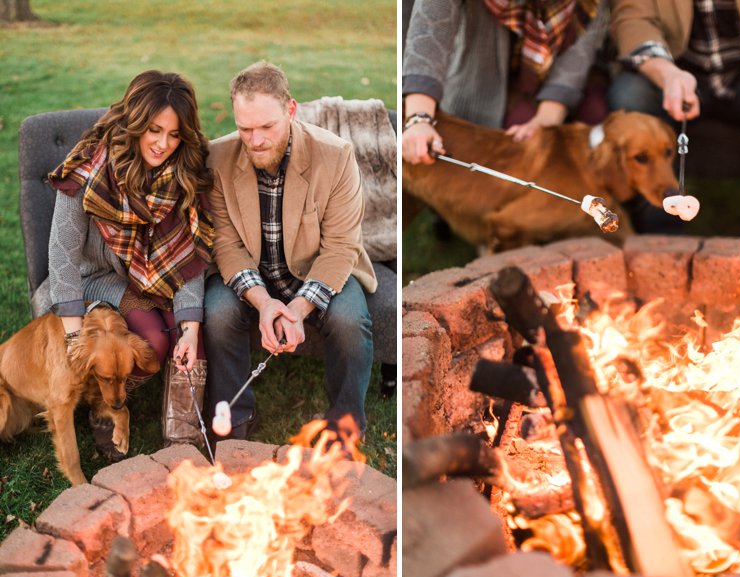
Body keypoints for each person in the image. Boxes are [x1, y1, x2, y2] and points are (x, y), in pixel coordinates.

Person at [203, 61, 376, 441]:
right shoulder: (217, 159)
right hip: (251, 274)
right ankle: (234, 424)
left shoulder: (336, 155)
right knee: (216, 312)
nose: (256, 140)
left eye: (267, 127)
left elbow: (340, 247)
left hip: (318, 269)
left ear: (291, 110)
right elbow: (225, 244)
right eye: (245, 128)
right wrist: (264, 303)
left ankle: (345, 429)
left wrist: (297, 310)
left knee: (350, 322)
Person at [47, 70, 214, 455]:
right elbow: (62, 253)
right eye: (154, 130)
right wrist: (73, 335)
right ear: (135, 122)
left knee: (187, 336)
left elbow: (188, 258)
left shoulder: (185, 173)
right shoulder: (89, 166)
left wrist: (189, 327)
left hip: (156, 277)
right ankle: (104, 411)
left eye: (174, 135)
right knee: (153, 339)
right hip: (98, 279)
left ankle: (182, 441)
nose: (162, 144)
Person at [608, 0, 740, 244]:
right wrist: (667, 74)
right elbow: (633, 19)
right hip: (675, 70)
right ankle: (662, 241)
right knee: (630, 95)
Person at [402, 0, 608, 165]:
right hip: (481, 81)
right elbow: (430, 33)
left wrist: (547, 118)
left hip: (558, 81)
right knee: (517, 144)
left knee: (594, 116)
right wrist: (419, 119)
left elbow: (578, 55)